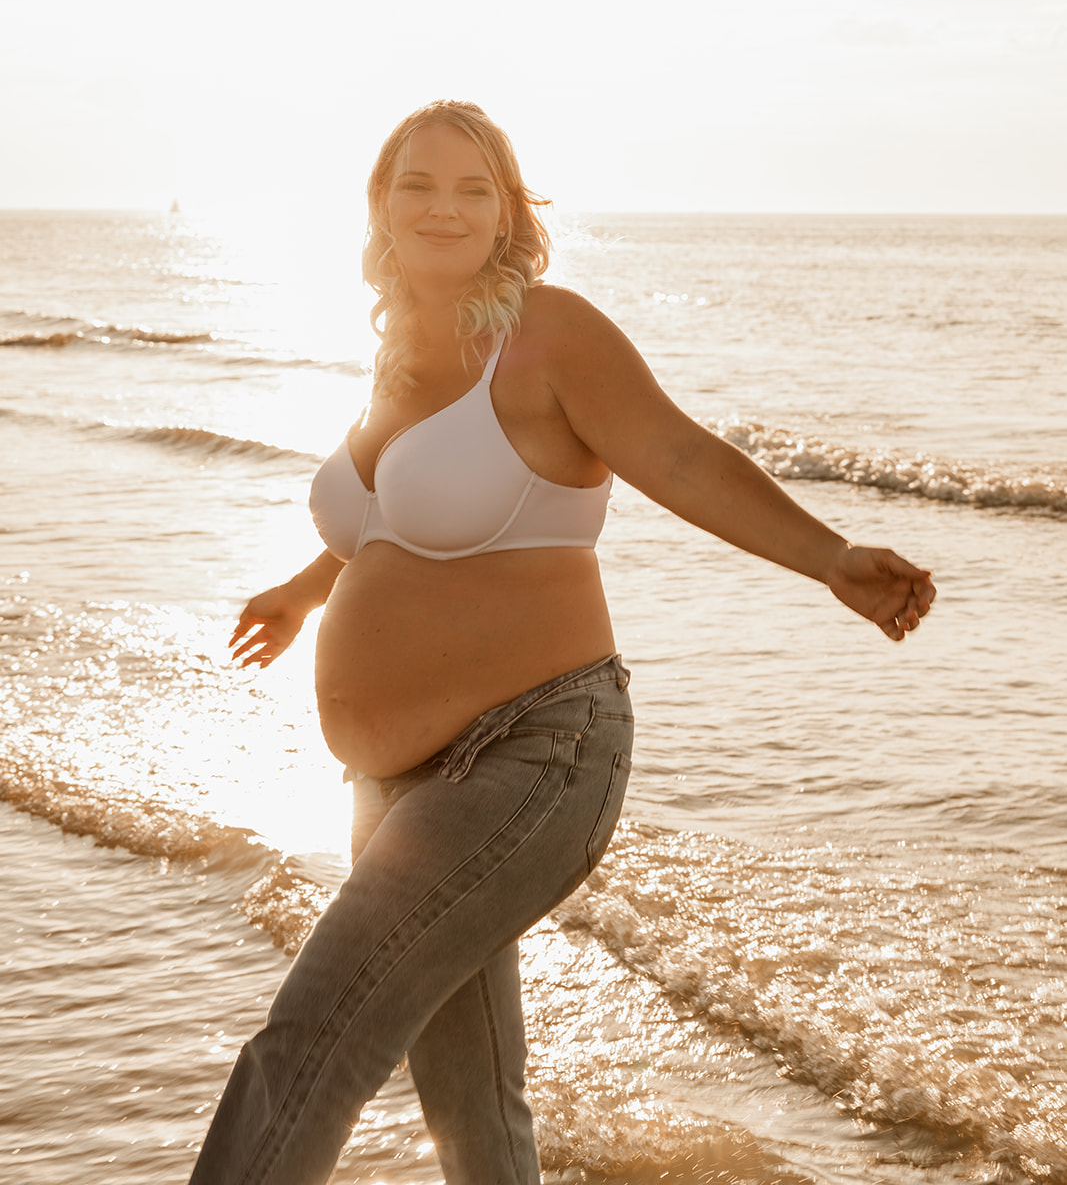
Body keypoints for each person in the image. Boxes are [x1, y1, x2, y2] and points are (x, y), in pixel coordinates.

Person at [189, 99, 935, 1184]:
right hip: (394, 783)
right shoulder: (397, 355)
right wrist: (307, 591)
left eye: (471, 186)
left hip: (534, 753)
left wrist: (827, 557)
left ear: (507, 211)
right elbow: (391, 522)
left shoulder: (546, 334)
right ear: (378, 205)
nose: (441, 206)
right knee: (473, 1106)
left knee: (313, 1036)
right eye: (416, 184)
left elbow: (678, 456)